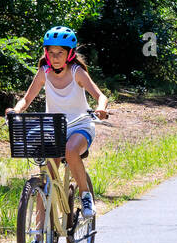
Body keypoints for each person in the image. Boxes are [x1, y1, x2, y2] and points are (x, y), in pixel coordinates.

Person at [10, 26, 109, 227]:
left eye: (60, 53)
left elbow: (101, 96)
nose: (55, 57)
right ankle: (39, 236)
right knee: (46, 178)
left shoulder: (76, 72)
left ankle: (86, 195)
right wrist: (16, 110)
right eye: (51, 53)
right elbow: (27, 99)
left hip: (79, 125)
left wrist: (100, 108)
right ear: (46, 53)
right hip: (54, 128)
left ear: (69, 54)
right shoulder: (43, 72)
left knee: (70, 150)